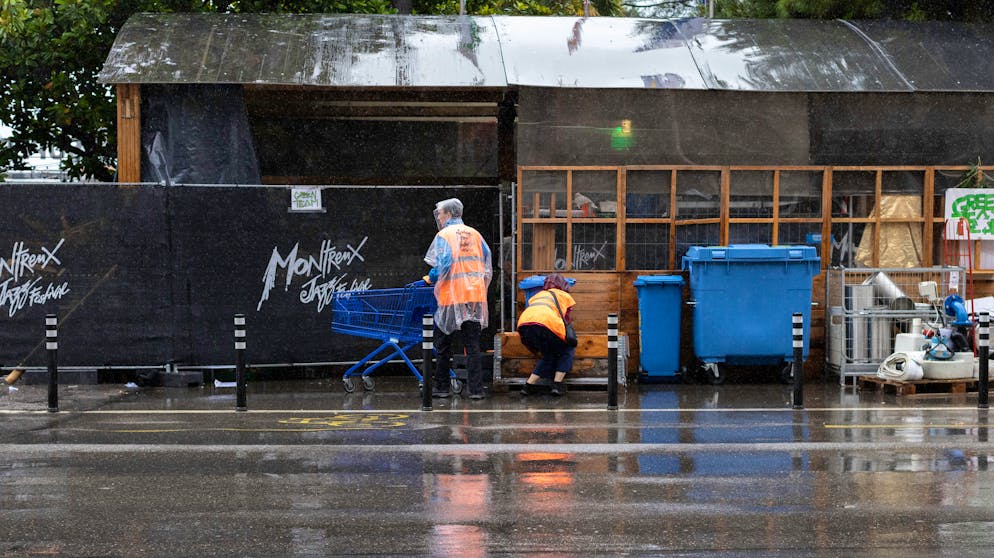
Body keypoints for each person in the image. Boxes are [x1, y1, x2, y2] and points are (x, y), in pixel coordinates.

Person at [424, 198, 493, 400]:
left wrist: (431, 277)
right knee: (472, 345)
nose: (438, 216)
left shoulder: (444, 234)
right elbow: (487, 262)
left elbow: (444, 263)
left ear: (449, 214)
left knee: (444, 344)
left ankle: (442, 387)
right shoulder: (475, 234)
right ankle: (476, 390)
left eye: (440, 213)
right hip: (473, 296)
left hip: (451, 296)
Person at [516, 273, 576, 396]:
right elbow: (565, 319)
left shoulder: (538, 295)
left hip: (524, 325)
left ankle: (528, 386)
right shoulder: (564, 295)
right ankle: (557, 385)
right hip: (547, 323)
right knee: (567, 350)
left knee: (548, 355)